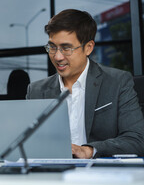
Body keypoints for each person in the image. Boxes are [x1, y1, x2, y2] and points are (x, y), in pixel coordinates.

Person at [26, 9, 144, 159]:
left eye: (66, 48)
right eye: (52, 47)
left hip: (100, 175)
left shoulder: (118, 82)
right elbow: (29, 143)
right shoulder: (35, 90)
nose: (57, 56)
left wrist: (89, 150)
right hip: (51, 174)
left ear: (88, 47)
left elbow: (137, 139)